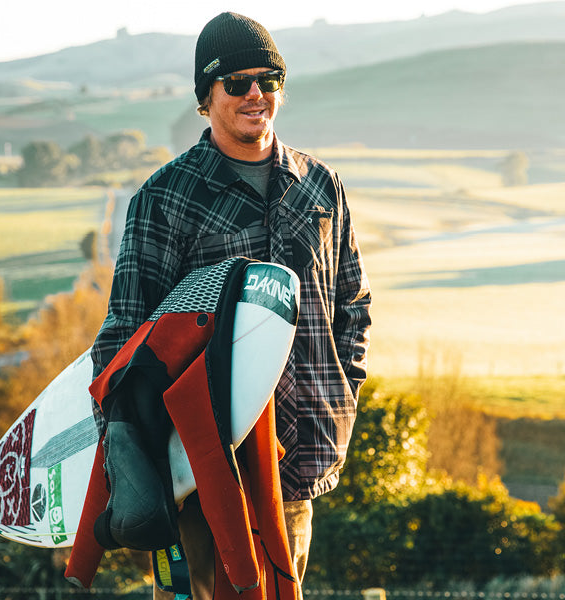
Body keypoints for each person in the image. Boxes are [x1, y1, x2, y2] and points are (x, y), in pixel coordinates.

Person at [90, 11, 372, 600]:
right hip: (201, 465)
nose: (255, 94)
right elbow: (124, 335)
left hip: (298, 458)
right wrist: (132, 457)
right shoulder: (165, 198)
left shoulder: (321, 185)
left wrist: (343, 391)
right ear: (205, 96)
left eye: (268, 80)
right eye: (236, 82)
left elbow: (353, 303)